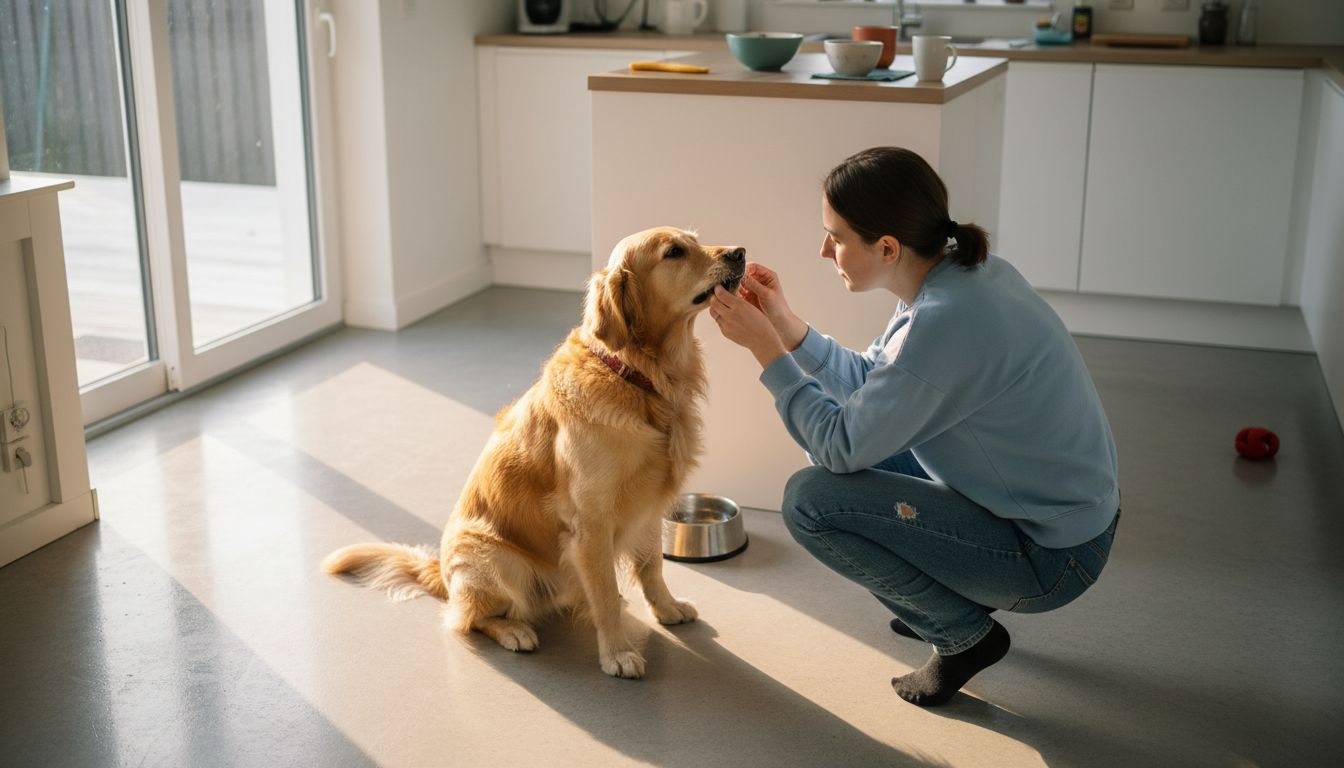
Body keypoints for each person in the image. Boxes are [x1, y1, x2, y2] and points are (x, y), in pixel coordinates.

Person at [708, 147, 1120, 707]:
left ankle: (962, 634)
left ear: (886, 248)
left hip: (1051, 558)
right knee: (834, 467)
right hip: (1051, 513)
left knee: (813, 499)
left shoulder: (942, 322)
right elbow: (875, 385)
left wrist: (765, 349)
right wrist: (783, 323)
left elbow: (839, 443)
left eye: (835, 236)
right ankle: (942, 596)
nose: (823, 248)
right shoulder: (964, 279)